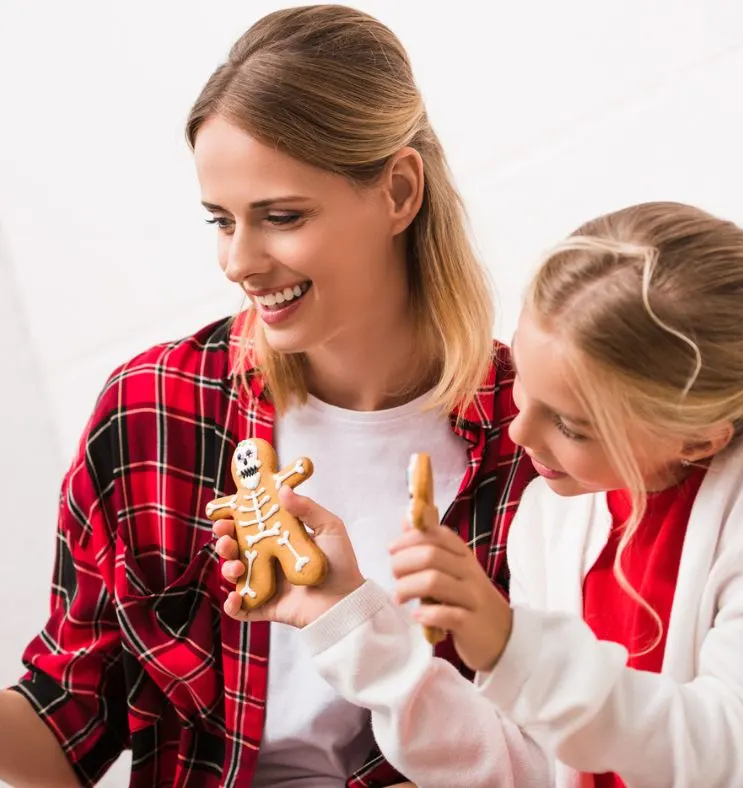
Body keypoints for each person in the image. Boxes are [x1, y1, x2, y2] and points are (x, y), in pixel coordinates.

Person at [216, 201, 743, 787]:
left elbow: (730, 757)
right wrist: (350, 620)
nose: (520, 428)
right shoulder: (555, 518)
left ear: (700, 439)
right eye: (525, 381)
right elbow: (523, 772)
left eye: (572, 423)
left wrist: (510, 645)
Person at [0, 5, 539, 787]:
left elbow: (564, 748)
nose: (240, 261)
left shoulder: (538, 441)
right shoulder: (155, 411)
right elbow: (68, 715)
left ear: (397, 191)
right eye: (221, 221)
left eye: (281, 217)